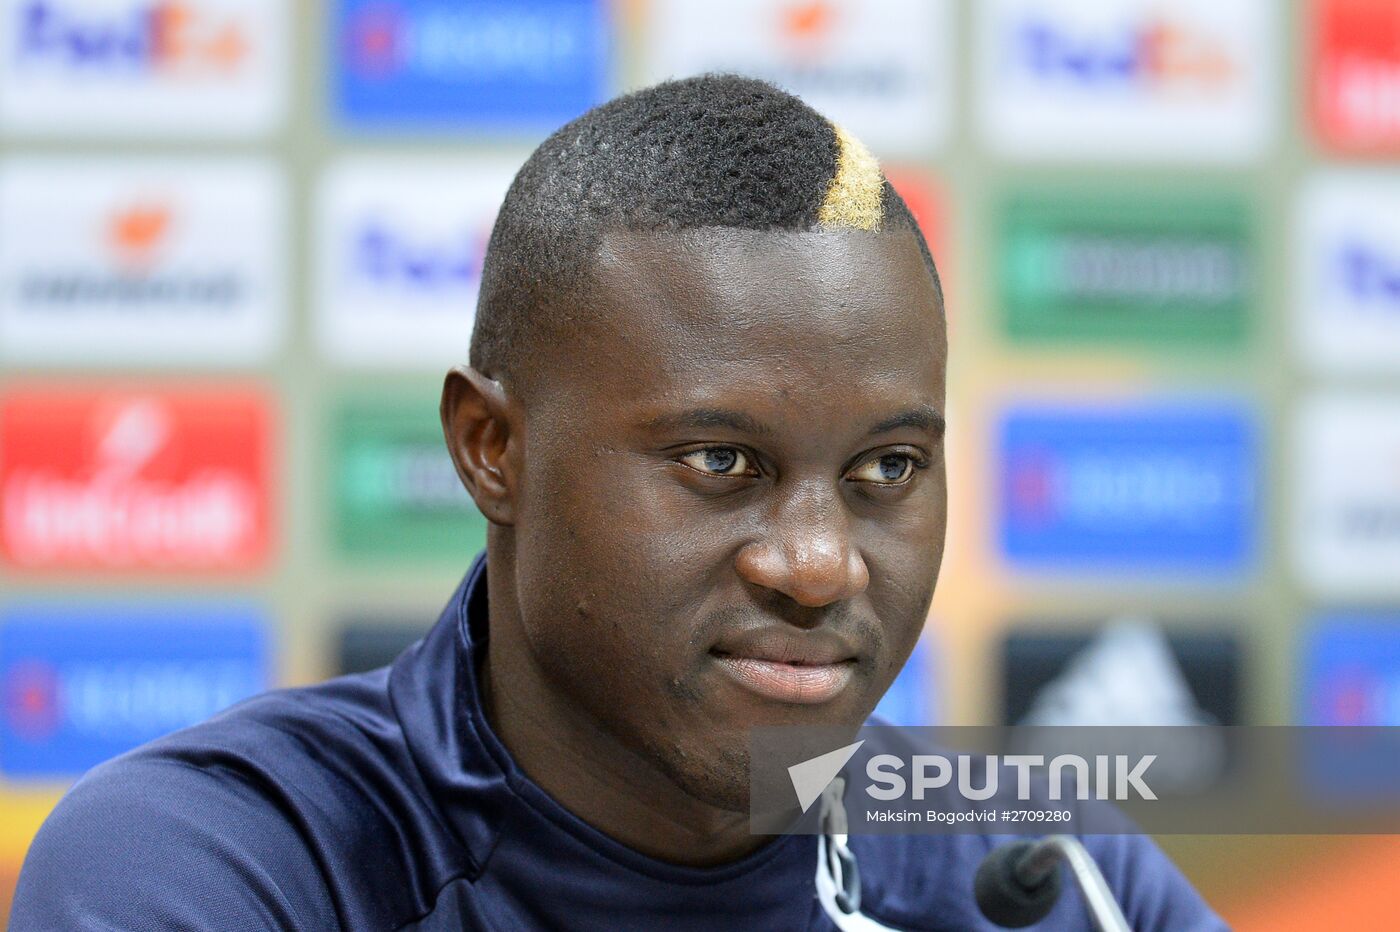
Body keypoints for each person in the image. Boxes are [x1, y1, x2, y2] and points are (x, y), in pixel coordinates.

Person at [10, 75, 1226, 930]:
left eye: (886, 470)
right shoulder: (224, 864)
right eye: (717, 462)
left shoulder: (1030, 859)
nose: (817, 564)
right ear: (491, 447)